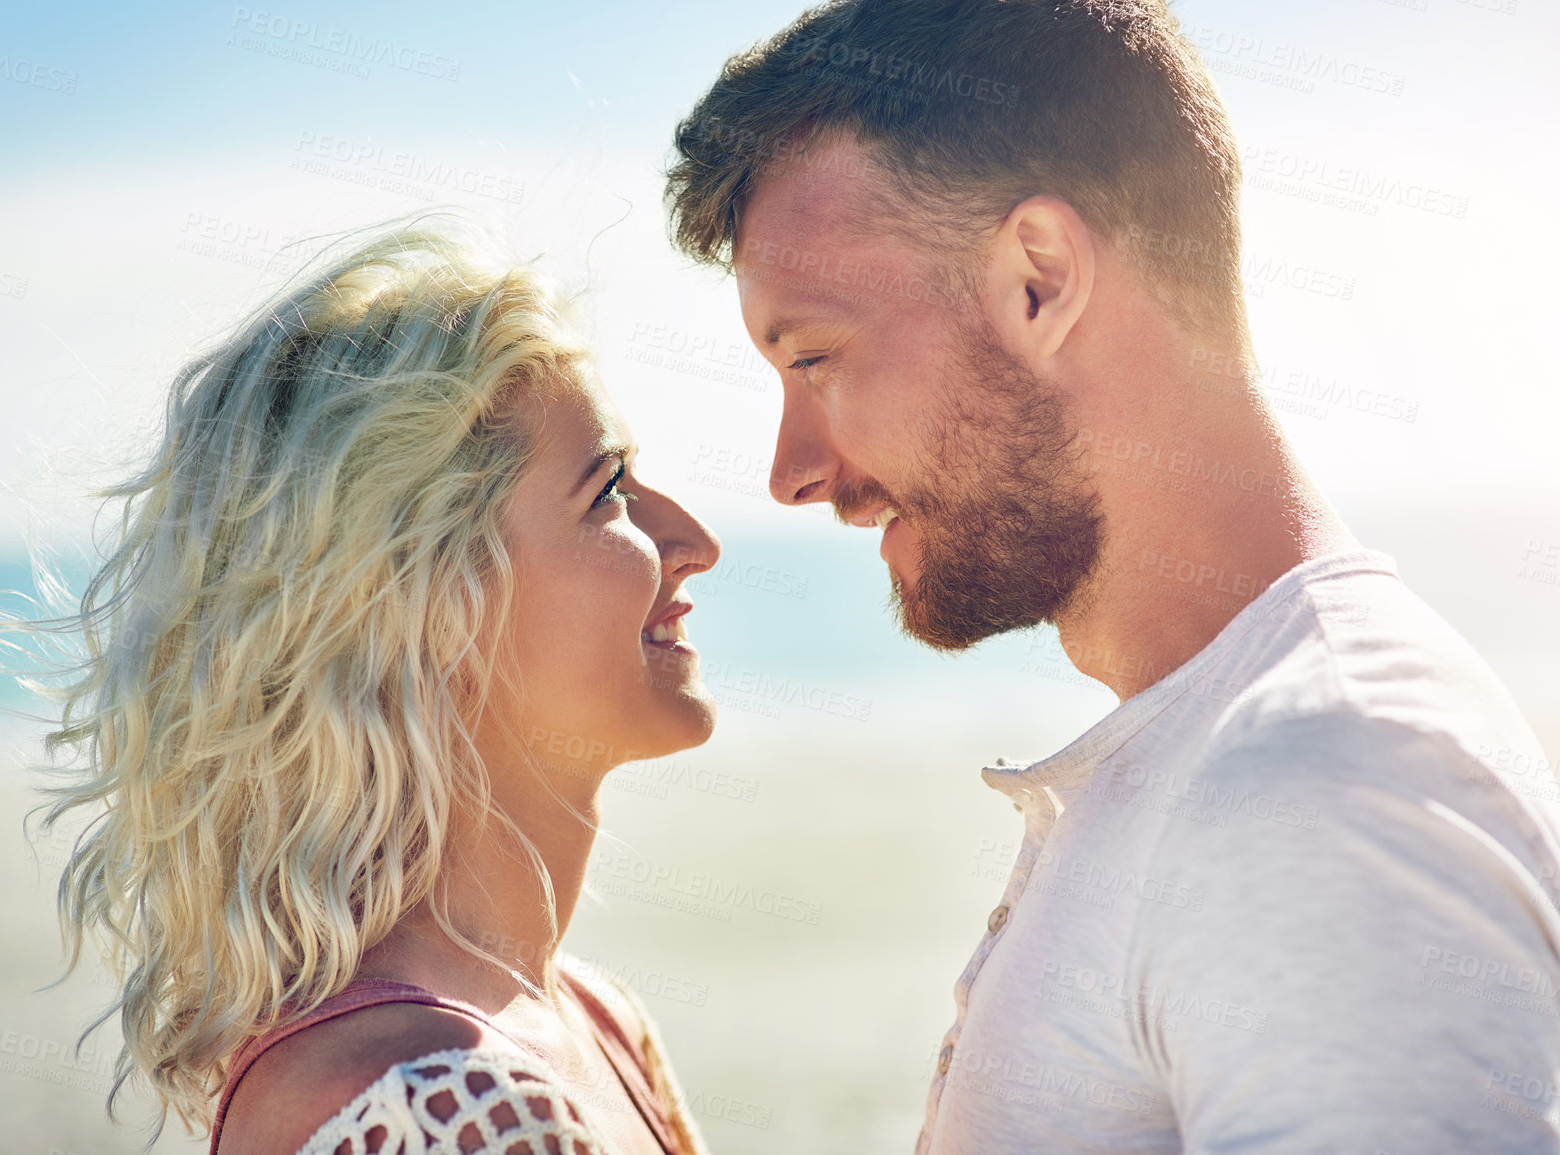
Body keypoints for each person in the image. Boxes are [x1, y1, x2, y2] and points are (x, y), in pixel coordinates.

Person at [664, 1, 1560, 1151]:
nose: (792, 472)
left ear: (1038, 280)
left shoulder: (1324, 774)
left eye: (817, 359)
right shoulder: (1229, 742)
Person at [0, 223, 720, 1155]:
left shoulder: (594, 1021)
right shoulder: (447, 1103)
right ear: (423, 604)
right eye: (608, 490)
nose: (694, 539)